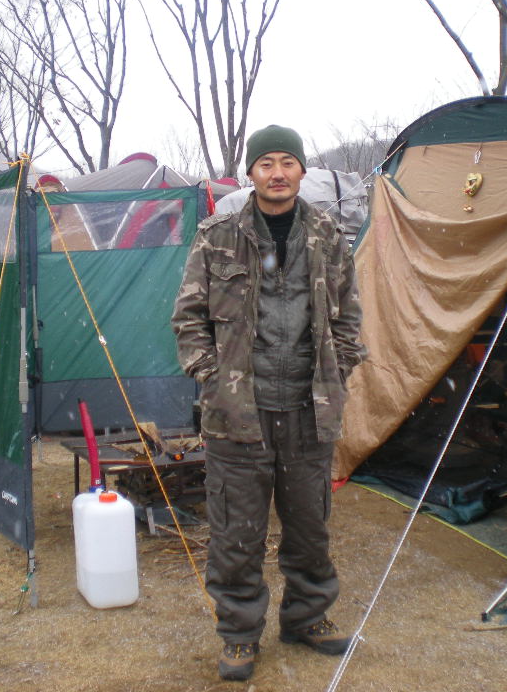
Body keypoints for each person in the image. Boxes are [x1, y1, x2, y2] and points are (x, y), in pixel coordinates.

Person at [172, 124, 366, 682]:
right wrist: (212, 380)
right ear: (250, 173)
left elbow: (349, 315)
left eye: (287, 162)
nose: (277, 173)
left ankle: (308, 618)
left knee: (310, 528)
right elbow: (188, 319)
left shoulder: (328, 234)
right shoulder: (217, 234)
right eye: (266, 164)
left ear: (302, 171)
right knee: (237, 533)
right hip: (237, 415)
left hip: (310, 412)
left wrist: (340, 366)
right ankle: (238, 635)